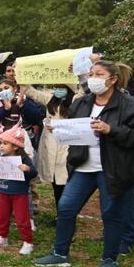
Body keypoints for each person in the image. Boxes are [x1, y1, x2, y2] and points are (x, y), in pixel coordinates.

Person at [35, 61, 134, 267]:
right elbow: (73, 126)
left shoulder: (129, 104)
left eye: (99, 74)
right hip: (83, 166)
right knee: (66, 207)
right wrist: (57, 128)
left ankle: (109, 259)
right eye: (91, 73)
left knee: (110, 214)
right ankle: (60, 253)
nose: (93, 78)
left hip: (112, 168)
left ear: (113, 79)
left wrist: (111, 130)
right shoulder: (82, 102)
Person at [20, 83, 78, 224]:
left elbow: (83, 89)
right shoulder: (51, 99)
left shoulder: (76, 100)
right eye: (56, 87)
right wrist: (21, 74)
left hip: (67, 146)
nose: (58, 90)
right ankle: (60, 216)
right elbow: (31, 91)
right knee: (56, 184)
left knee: (65, 183)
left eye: (62, 87)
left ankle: (67, 218)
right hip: (51, 146)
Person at [0, 128, 37, 255]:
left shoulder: (24, 159)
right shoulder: (1, 158)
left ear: (15, 146)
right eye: (1, 143)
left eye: (5, 143)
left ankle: (28, 242)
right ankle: (2, 237)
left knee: (22, 219)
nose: (1, 146)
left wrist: (27, 169)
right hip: (3, 192)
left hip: (19, 194)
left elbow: (34, 173)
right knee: (1, 216)